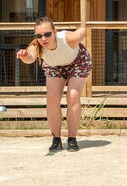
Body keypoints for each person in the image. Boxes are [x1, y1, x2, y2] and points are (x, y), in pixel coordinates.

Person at [16, 16, 90, 152]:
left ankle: (72, 139)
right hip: (54, 65)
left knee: (73, 96)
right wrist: (25, 56)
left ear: (54, 32)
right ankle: (56, 139)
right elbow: (30, 58)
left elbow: (83, 31)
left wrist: (80, 30)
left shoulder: (68, 39)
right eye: (39, 35)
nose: (43, 39)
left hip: (78, 61)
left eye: (47, 34)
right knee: (52, 97)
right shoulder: (36, 46)